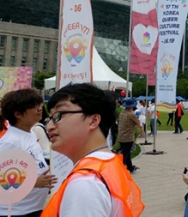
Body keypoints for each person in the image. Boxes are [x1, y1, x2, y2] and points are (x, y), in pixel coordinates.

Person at [42, 83, 144, 216]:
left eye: (58, 115)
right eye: (50, 118)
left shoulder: (85, 184)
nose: (49, 126)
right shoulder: (108, 164)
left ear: (93, 120)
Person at [0, 89, 57, 217]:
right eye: (34, 106)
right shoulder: (10, 142)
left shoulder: (29, 133)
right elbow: (1, 181)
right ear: (18, 114)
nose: (40, 109)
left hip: (31, 208)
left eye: (40, 105)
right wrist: (35, 182)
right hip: (13, 212)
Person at [118, 99, 141, 174]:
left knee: (127, 153)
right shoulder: (131, 114)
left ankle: (130, 167)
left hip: (121, 136)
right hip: (128, 137)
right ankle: (119, 169)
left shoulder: (122, 113)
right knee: (124, 154)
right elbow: (138, 123)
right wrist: (142, 131)